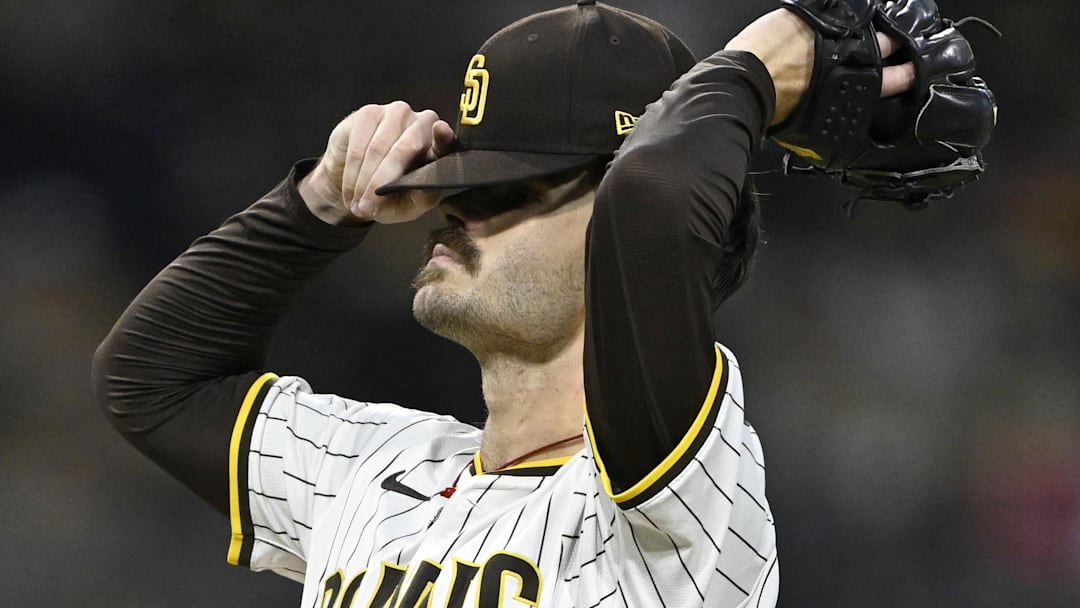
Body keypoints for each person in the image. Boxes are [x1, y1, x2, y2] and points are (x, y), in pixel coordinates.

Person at [93, 1, 914, 606]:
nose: (457, 209)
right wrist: (321, 201)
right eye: (462, 181)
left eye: (509, 189)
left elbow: (657, 202)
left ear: (615, 223)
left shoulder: (690, 499)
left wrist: (772, 53)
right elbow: (152, 382)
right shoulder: (379, 470)